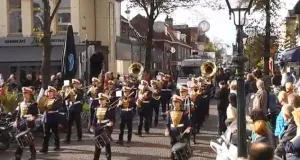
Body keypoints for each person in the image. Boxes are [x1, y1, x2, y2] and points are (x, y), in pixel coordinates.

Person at [13, 87, 38, 160]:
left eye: (26, 93)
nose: (25, 95)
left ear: (30, 94)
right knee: (20, 140)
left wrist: (33, 117)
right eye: (24, 93)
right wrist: (16, 121)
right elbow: (18, 114)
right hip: (21, 124)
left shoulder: (33, 104)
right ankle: (18, 156)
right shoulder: (20, 104)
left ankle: (33, 155)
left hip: (29, 124)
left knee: (30, 141)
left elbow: (36, 114)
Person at [165, 95, 191, 159]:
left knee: (181, 148)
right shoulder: (169, 112)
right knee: (172, 145)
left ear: (179, 103)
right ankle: (172, 156)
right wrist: (167, 130)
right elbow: (167, 123)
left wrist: (188, 128)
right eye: (174, 102)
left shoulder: (184, 112)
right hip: (172, 132)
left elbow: (187, 123)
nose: (175, 103)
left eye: (176, 102)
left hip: (181, 132)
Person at [40, 86, 62, 153]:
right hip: (46, 118)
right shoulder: (45, 99)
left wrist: (48, 107)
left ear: (54, 93)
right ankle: (44, 148)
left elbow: (55, 107)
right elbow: (40, 106)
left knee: (55, 132)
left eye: (51, 92)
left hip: (53, 117)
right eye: (49, 92)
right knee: (46, 134)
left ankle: (57, 145)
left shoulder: (57, 100)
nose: (50, 93)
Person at [93, 93, 114, 160]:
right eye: (99, 99)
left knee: (107, 145)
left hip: (106, 127)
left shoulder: (109, 108)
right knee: (97, 144)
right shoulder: (96, 108)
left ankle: (108, 158)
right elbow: (94, 119)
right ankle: (96, 158)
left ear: (106, 100)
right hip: (98, 127)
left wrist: (111, 123)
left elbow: (112, 118)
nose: (101, 101)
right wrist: (93, 126)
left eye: (102, 99)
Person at [64, 79, 84, 143]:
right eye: (74, 84)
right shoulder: (70, 90)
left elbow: (80, 96)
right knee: (69, 124)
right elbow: (65, 98)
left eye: (77, 84)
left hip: (77, 108)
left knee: (78, 123)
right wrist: (66, 92)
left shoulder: (80, 91)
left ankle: (79, 137)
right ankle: (68, 138)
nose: (76, 85)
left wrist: (75, 90)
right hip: (71, 108)